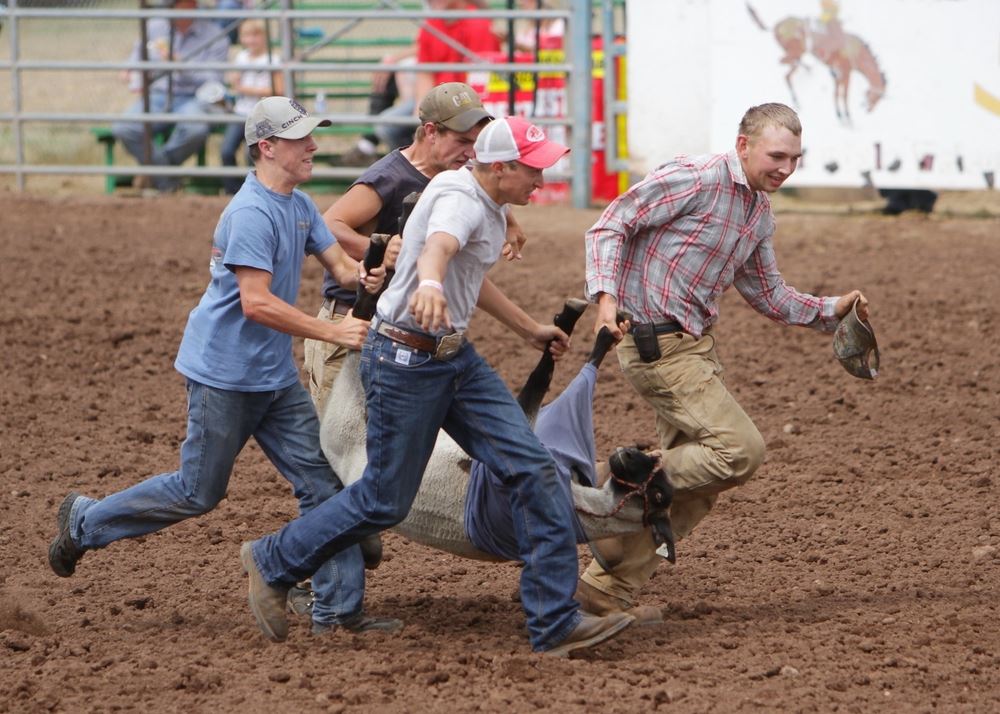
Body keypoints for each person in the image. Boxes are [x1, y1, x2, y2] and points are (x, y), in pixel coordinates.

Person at [239, 116, 635, 656]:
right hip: (405, 360)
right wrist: (427, 282)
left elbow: (465, 269)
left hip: (452, 357)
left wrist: (526, 328)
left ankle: (555, 622)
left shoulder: (476, 193)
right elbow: (440, 248)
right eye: (534, 171)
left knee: (534, 467)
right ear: (500, 168)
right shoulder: (460, 201)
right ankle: (273, 560)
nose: (542, 181)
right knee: (383, 499)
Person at [48, 96, 398, 638]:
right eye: (302, 138)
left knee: (322, 484)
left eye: (312, 136)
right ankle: (85, 522)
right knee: (198, 491)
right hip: (224, 375)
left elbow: (340, 266)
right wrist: (331, 329)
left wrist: (365, 275)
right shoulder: (250, 213)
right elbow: (255, 302)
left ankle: (337, 612)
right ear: (267, 147)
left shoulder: (299, 205)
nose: (314, 146)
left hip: (272, 377)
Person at [577, 102, 871, 620]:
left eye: (795, 158)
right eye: (776, 155)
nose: (785, 167)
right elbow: (610, 225)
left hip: (694, 349)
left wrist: (833, 309)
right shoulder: (695, 178)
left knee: (701, 484)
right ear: (743, 146)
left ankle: (604, 592)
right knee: (739, 451)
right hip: (656, 345)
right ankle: (607, 482)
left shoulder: (757, 212)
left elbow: (769, 294)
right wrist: (605, 301)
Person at [306, 81, 516, 415]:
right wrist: (377, 247)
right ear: (431, 132)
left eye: (475, 144)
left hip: (393, 333)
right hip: (351, 321)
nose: (469, 153)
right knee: (339, 443)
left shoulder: (453, 178)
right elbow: (329, 223)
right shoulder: (390, 178)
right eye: (462, 141)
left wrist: (510, 219)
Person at [349, 0, 499, 163]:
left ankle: (439, 166)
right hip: (437, 98)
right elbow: (424, 72)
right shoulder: (431, 23)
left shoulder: (478, 23)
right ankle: (416, 169)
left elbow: (479, 81)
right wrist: (420, 113)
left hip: (464, 102)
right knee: (387, 125)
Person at [113, 0, 230, 193]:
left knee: (195, 129)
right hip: (157, 94)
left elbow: (214, 78)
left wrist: (181, 66)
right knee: (125, 127)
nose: (169, 6)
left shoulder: (215, 36)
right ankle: (167, 180)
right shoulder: (154, 26)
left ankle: (154, 173)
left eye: (176, 3)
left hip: (194, 97)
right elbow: (136, 56)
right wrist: (129, 70)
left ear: (192, 5)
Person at [221, 19, 283, 194]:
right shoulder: (241, 57)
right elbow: (234, 81)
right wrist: (236, 83)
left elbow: (277, 89)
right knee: (226, 150)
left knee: (252, 156)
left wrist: (244, 88)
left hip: (262, 116)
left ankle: (254, 191)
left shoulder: (273, 59)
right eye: (247, 35)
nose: (251, 40)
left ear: (264, 37)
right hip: (241, 112)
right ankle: (232, 190)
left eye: (256, 35)